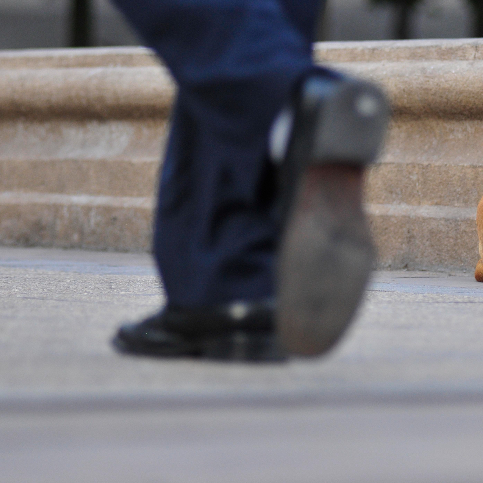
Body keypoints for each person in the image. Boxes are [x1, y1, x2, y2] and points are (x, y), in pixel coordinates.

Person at [109, 0, 390, 361]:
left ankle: (284, 103)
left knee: (261, 67)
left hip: (271, 85)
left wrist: (269, 86)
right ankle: (231, 279)